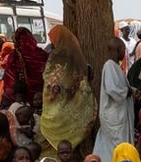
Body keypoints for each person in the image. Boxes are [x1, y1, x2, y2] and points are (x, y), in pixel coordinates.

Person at [39, 26, 97, 155]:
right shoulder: (79, 58)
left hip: (56, 107)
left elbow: (49, 78)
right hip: (72, 106)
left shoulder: (57, 56)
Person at [93, 37, 134, 162]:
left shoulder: (116, 67)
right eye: (123, 50)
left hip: (118, 115)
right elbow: (113, 90)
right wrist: (128, 91)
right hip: (115, 117)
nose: (124, 53)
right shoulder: (110, 66)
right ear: (118, 50)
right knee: (115, 146)